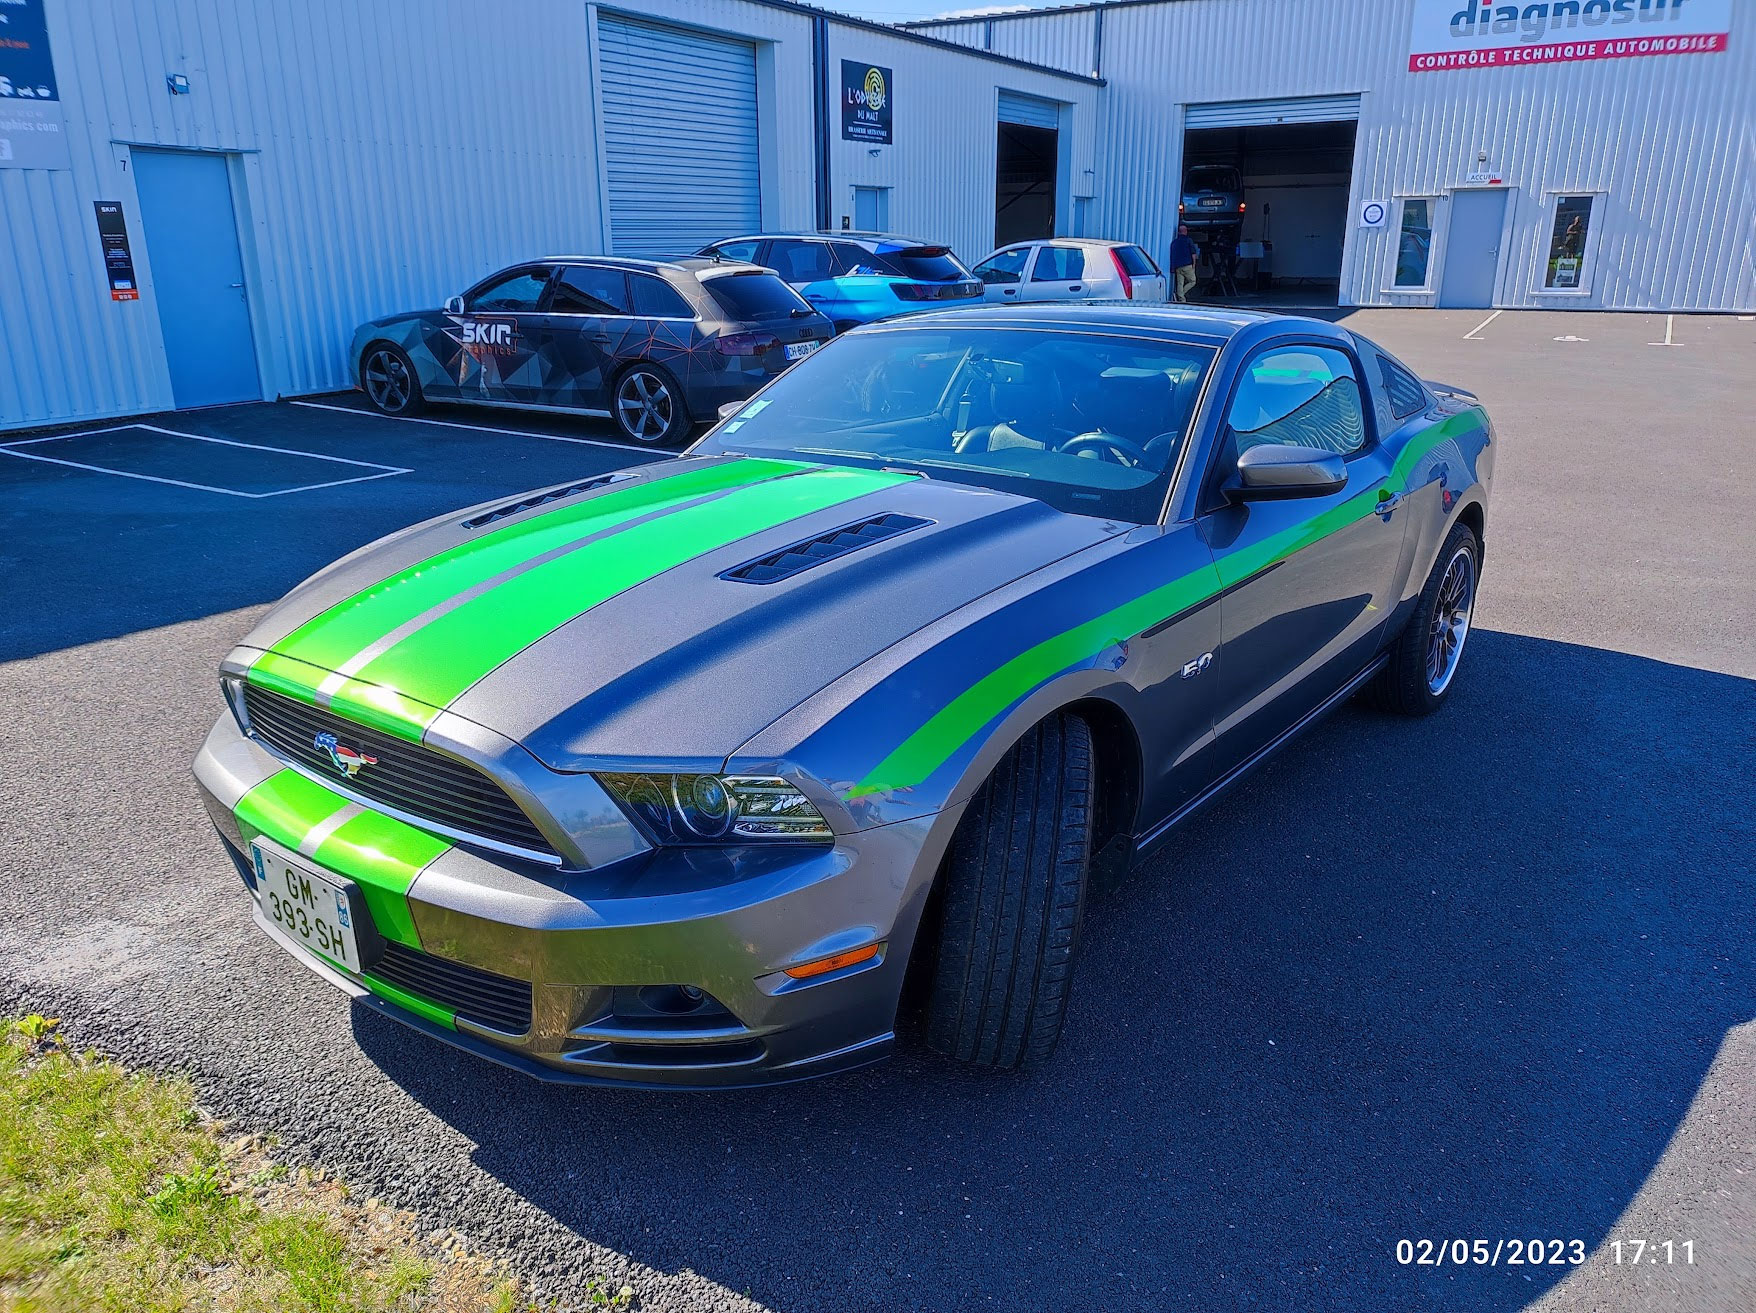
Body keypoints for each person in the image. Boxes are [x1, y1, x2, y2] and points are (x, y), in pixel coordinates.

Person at [1168, 225, 1200, 302]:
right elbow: (1193, 254)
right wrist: (1194, 264)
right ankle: (1181, 294)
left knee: (1180, 283)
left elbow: (1172, 256)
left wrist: (1172, 268)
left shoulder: (1174, 242)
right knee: (1192, 281)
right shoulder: (1189, 240)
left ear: (1179, 232)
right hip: (1187, 266)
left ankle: (1181, 299)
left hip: (1178, 267)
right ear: (1186, 231)